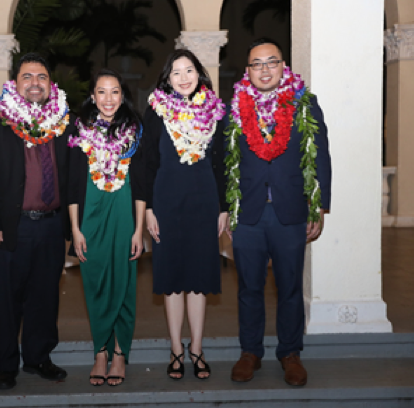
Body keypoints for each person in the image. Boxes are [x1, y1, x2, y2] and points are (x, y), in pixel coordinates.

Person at [223, 38, 332, 386]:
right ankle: (250, 352)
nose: (265, 69)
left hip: (290, 211)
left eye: (272, 62)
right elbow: (226, 162)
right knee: (249, 288)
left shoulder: (305, 103)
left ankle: (290, 352)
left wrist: (318, 204)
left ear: (283, 66)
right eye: (257, 63)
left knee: (289, 287)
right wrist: (226, 208)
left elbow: (321, 155)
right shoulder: (236, 106)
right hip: (249, 213)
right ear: (247, 71)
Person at [0, 53, 74, 390]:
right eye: (27, 77)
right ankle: (7, 365)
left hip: (50, 225)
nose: (35, 83)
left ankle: (39, 358)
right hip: (7, 227)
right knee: (6, 299)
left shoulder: (64, 123)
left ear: (50, 84)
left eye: (41, 77)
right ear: (15, 83)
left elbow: (74, 174)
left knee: (45, 297)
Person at [142, 49, 228, 380]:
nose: (183, 77)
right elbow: (148, 163)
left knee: (199, 279)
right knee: (172, 278)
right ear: (167, 79)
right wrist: (148, 208)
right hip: (165, 203)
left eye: (189, 70)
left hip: (204, 202)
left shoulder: (214, 112)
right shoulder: (155, 112)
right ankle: (177, 349)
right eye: (176, 72)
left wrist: (222, 207)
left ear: (199, 74)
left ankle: (197, 349)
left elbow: (219, 162)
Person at [68, 69, 145, 387]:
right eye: (102, 92)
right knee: (95, 282)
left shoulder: (135, 130)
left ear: (122, 96)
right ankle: (100, 351)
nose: (108, 98)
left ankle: (119, 353)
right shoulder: (79, 130)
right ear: (92, 96)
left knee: (125, 283)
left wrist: (139, 229)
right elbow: (72, 182)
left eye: (115, 92)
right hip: (91, 216)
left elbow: (141, 183)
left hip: (124, 215)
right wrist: (74, 229)